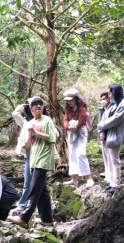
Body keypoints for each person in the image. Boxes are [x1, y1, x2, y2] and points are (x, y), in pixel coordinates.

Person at [11, 97, 57, 227]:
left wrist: (37, 133)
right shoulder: (29, 123)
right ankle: (47, 220)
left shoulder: (47, 120)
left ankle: (24, 217)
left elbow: (52, 138)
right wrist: (31, 134)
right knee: (42, 191)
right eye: (35, 105)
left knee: (34, 188)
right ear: (30, 109)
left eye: (40, 104)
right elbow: (27, 145)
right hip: (34, 159)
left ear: (42, 108)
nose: (38, 106)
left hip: (44, 158)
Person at [97, 84, 124, 194]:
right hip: (108, 136)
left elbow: (115, 120)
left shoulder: (123, 106)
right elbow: (104, 117)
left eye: (110, 93)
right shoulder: (112, 104)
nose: (108, 95)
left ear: (115, 93)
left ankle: (116, 184)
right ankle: (111, 182)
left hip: (115, 136)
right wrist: (101, 130)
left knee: (114, 160)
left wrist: (101, 126)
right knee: (108, 160)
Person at [62, 89, 94, 188]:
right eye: (67, 101)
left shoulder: (82, 107)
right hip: (71, 133)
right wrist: (68, 127)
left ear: (76, 99)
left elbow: (82, 119)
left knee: (81, 153)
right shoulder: (68, 109)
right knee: (72, 154)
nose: (69, 102)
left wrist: (75, 126)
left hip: (81, 132)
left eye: (70, 100)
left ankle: (89, 178)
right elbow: (65, 120)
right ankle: (74, 179)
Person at [12, 100, 35, 209]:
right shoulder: (25, 122)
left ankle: (35, 205)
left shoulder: (45, 120)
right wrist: (21, 107)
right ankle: (22, 204)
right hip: (29, 153)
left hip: (40, 153)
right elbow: (15, 114)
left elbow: (55, 133)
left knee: (38, 182)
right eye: (31, 106)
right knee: (27, 181)